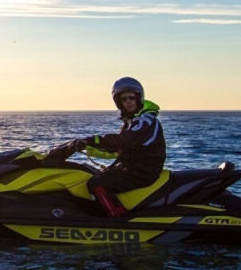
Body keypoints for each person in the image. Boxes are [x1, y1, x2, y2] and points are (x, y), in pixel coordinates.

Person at [63, 76, 165, 217]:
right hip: (130, 168)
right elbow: (116, 151)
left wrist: (93, 140)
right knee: (88, 174)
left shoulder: (146, 121)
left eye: (131, 98)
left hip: (143, 173)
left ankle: (118, 219)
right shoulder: (131, 122)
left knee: (97, 183)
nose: (128, 102)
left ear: (138, 98)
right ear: (119, 103)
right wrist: (85, 148)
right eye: (124, 99)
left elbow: (123, 141)